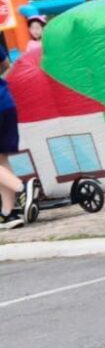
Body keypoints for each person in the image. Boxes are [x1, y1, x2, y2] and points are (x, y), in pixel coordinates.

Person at [0, 47, 36, 229]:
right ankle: (8, 214)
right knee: (1, 159)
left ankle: (23, 188)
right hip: (6, 103)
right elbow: (5, 64)